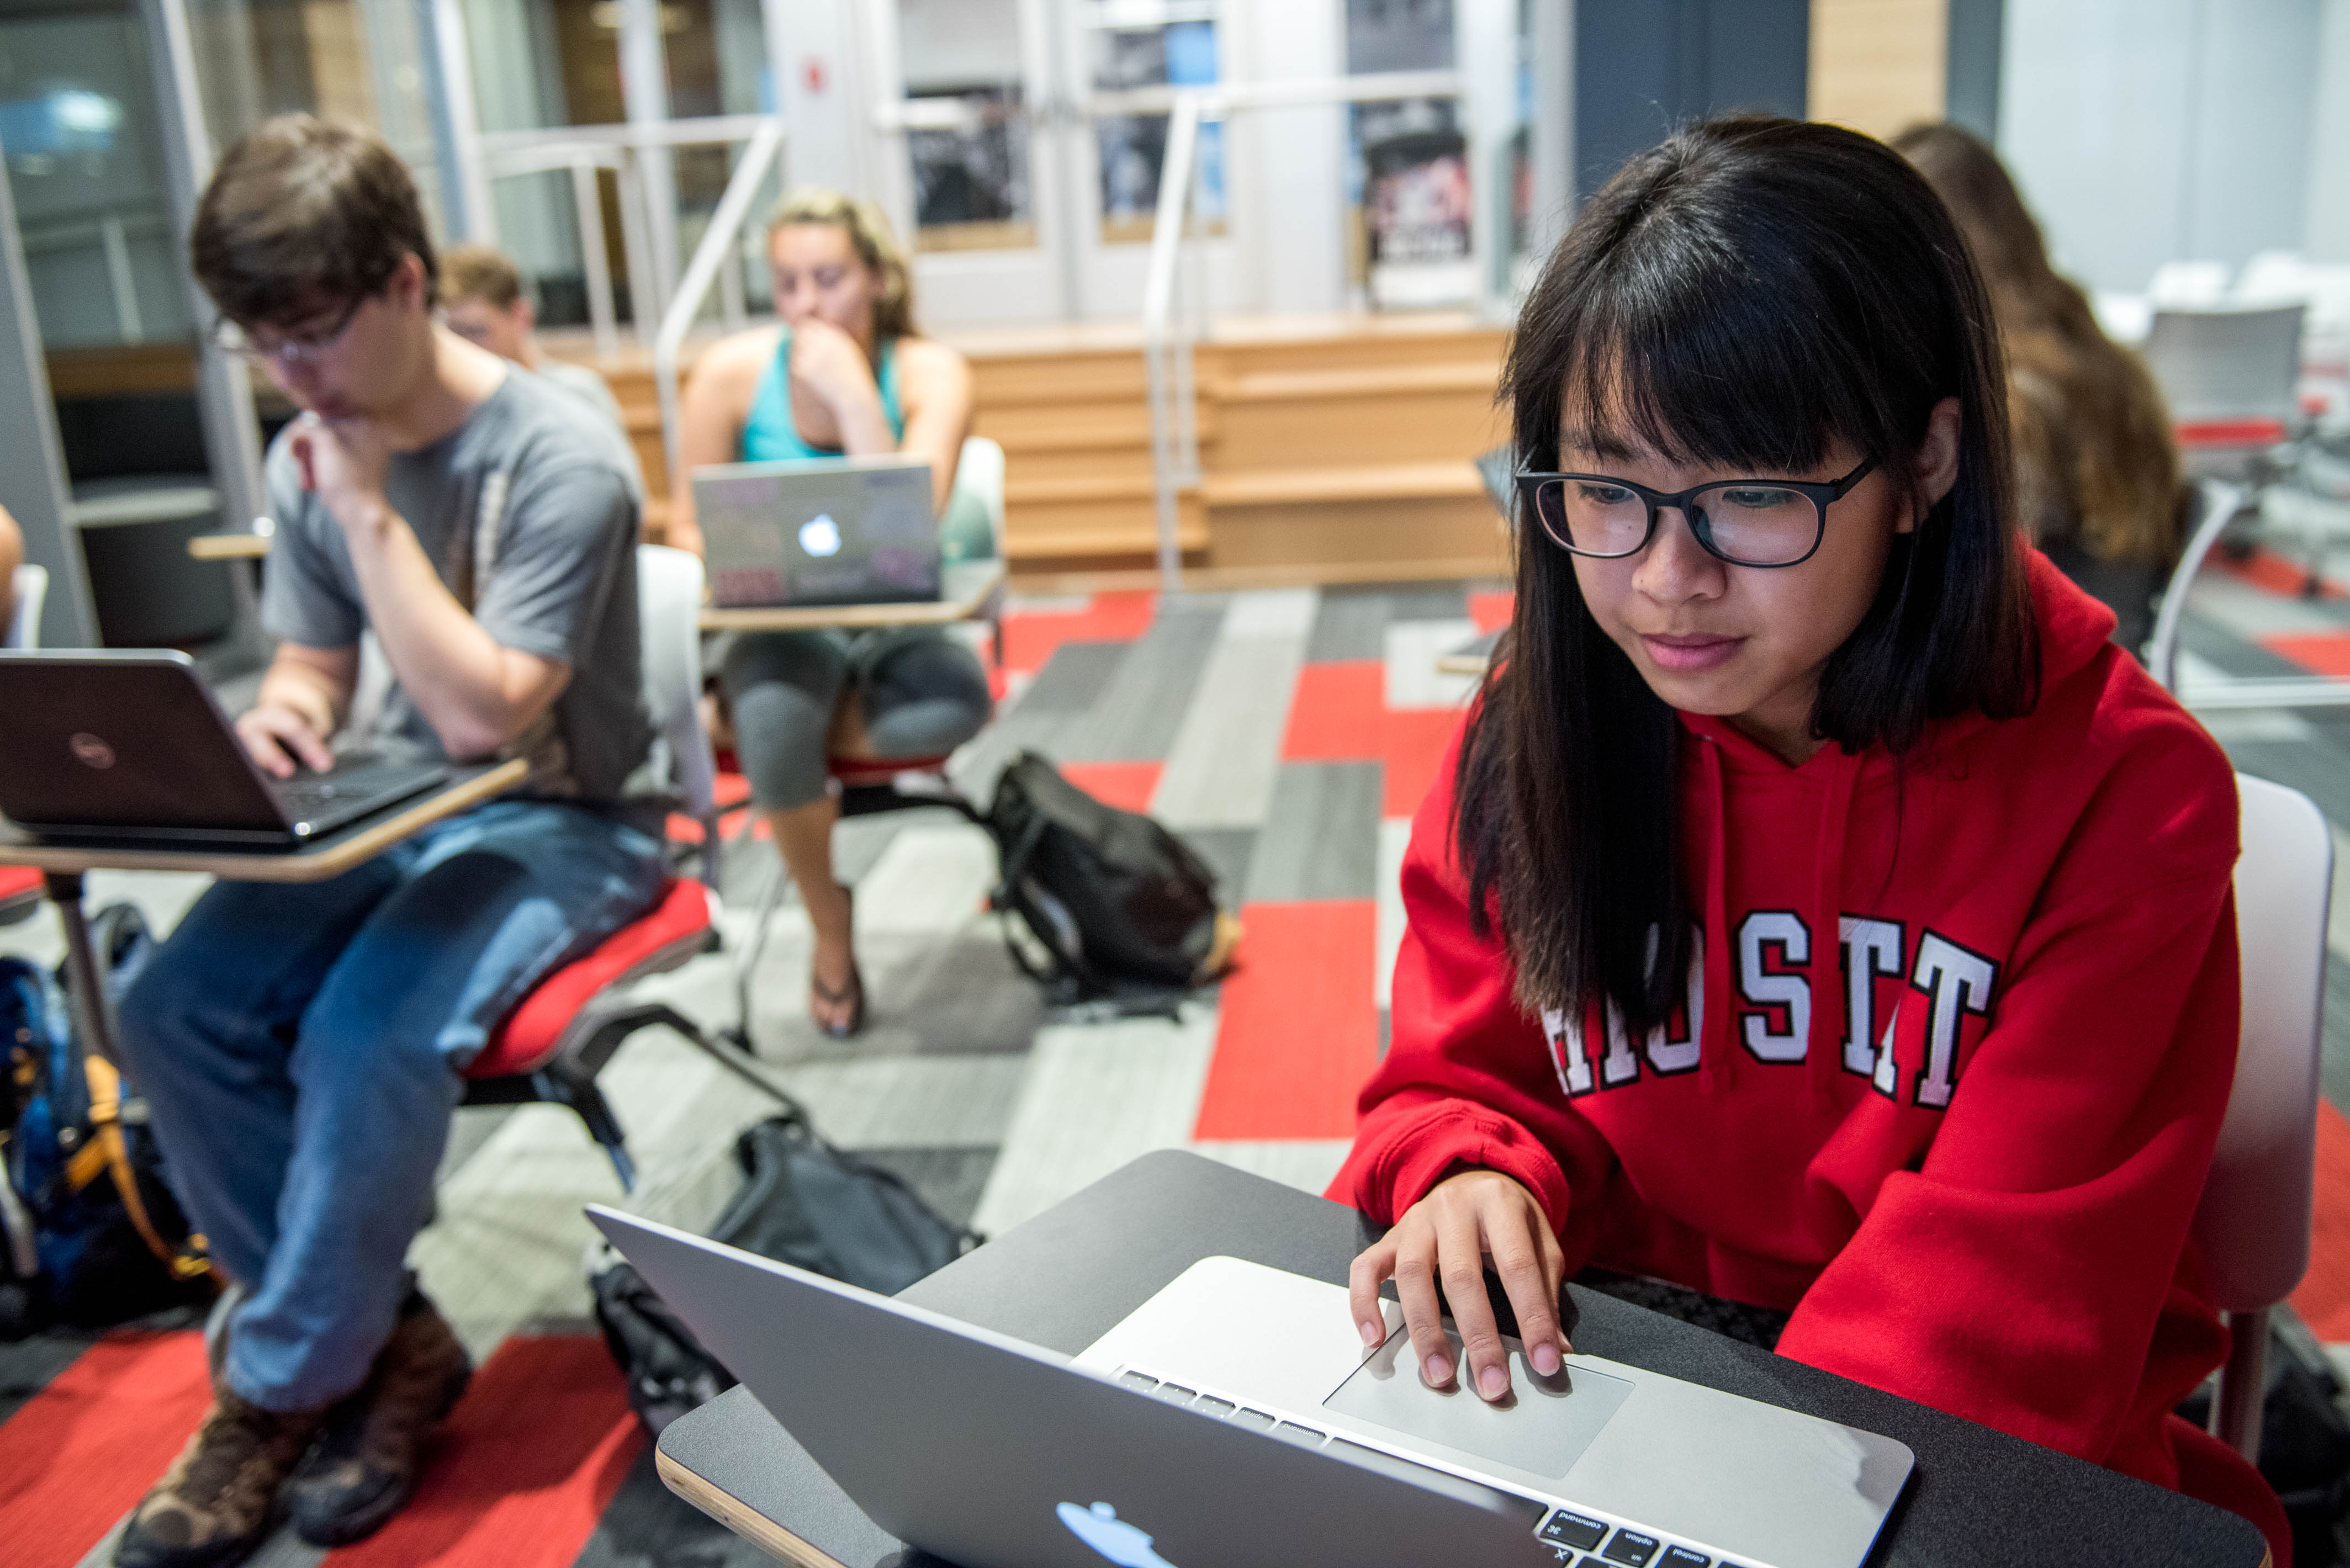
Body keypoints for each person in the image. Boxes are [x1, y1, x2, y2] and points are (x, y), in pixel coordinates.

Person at [1333, 116, 2285, 1562]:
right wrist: (1465, 1172)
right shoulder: (1549, 721)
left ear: (1924, 462)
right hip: (1617, 1390)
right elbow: (1451, 1081)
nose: (1666, 580)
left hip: (1960, 1461)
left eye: (1754, 495)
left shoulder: (2120, 795)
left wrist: (1697, 1508)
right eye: (1606, 490)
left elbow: (2001, 1328)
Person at [110, 116, 666, 1567]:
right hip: (390, 813)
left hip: (573, 818)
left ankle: (276, 1386)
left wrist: (363, 509)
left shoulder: (560, 457)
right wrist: (284, 720)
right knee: (170, 1006)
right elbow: (314, 671)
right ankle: (387, 1344)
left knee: (366, 1031)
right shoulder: (317, 444)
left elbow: (489, 718)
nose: (293, 376)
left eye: (314, 334)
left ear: (407, 284)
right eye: (263, 344)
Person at [669, 188, 988, 1037]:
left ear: (878, 280)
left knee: (948, 708)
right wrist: (725, 563)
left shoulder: (929, 373)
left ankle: (786, 758)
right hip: (779, 623)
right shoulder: (731, 375)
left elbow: (904, 537)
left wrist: (854, 404)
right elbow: (683, 521)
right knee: (773, 716)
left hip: (898, 616)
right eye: (788, 284)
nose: (807, 305)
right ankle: (829, 924)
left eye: (829, 279)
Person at [1894, 121, 2185, 653]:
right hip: (2124, 645)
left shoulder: (2012, 401)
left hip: (2053, 671)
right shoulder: (2099, 354)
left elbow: (1974, 600)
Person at [439, 242, 642, 484]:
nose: (463, 349)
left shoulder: (576, 393)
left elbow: (626, 494)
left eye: (475, 331)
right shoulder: (450, 409)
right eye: (453, 335)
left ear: (521, 316)